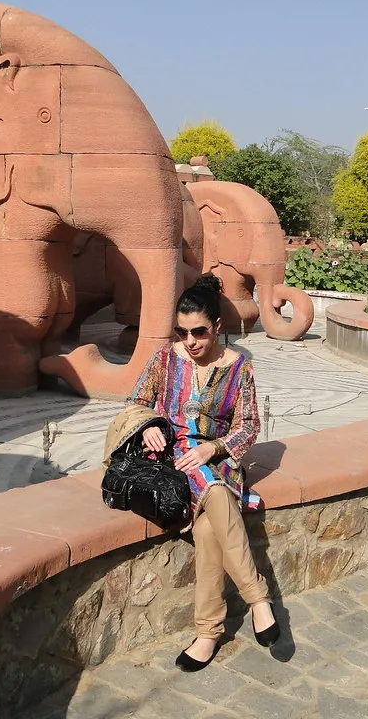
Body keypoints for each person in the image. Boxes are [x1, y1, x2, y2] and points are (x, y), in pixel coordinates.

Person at [128, 274, 280, 672]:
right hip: (173, 460)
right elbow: (137, 402)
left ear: (217, 326)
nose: (190, 341)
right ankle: (258, 598)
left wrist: (213, 448)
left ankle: (208, 633)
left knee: (211, 529)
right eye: (182, 332)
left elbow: (248, 425)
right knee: (212, 495)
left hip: (219, 459)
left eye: (198, 331)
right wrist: (149, 427)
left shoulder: (238, 367)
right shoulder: (166, 358)